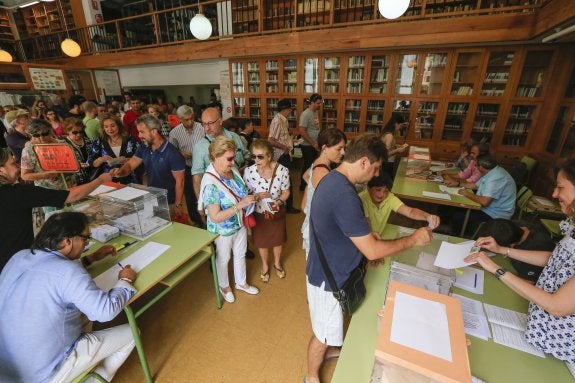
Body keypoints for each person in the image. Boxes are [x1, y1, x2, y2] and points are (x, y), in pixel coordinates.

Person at [304, 134, 433, 383]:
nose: (375, 175)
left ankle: (331, 347)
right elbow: (373, 251)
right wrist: (413, 240)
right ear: (363, 161)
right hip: (328, 278)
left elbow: (336, 226)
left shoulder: (335, 180)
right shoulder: (344, 193)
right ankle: (311, 376)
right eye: (375, 168)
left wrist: (364, 235)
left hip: (333, 268)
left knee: (332, 325)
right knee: (321, 334)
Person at [0, 212, 137, 382]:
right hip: (44, 373)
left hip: (8, 369)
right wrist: (125, 280)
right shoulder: (68, 272)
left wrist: (91, 258)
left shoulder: (19, 256)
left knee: (83, 314)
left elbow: (52, 270)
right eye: (86, 239)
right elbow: (105, 312)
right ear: (67, 241)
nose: (87, 243)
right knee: (131, 333)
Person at [466, 159, 575, 366]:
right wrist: (502, 250)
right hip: (540, 329)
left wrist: (496, 269)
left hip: (561, 349)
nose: (553, 194)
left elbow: (558, 306)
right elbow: (556, 260)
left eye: (560, 187)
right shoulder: (572, 224)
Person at [0, 148, 114, 271]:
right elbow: (72, 196)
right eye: (13, 164)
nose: (17, 167)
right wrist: (101, 180)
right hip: (17, 266)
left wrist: (91, 258)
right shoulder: (17, 193)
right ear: (1, 171)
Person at [198, 136, 261, 303]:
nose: (233, 162)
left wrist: (249, 198)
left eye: (233, 157)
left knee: (240, 254)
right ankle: (224, 286)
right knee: (223, 258)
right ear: (215, 157)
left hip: (239, 224)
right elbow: (215, 217)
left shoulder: (231, 171)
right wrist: (241, 205)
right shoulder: (211, 184)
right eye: (229, 158)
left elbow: (239, 191)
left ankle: (241, 283)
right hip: (223, 230)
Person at [110, 115, 185, 215]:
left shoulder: (173, 153)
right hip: (152, 199)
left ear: (154, 132)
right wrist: (120, 172)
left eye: (142, 132)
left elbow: (180, 182)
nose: (139, 136)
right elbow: (131, 165)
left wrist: (178, 204)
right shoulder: (143, 147)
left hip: (169, 202)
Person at [243, 139, 290, 282]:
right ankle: (264, 265)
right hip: (258, 213)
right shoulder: (249, 172)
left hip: (276, 211)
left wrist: (279, 201)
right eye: (254, 156)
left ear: (269, 156)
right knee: (262, 241)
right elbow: (246, 193)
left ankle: (277, 263)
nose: (256, 160)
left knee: (277, 240)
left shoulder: (282, 170)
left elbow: (286, 191)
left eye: (260, 156)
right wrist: (256, 196)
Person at [301, 128, 347, 258]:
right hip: (318, 230)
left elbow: (306, 177)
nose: (343, 152)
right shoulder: (323, 173)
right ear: (325, 148)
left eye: (344, 148)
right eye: (339, 149)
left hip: (312, 225)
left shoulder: (316, 164)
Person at [451, 154, 516, 236]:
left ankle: (459, 237)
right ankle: (464, 232)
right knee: (455, 210)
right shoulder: (492, 171)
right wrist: (458, 183)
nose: (475, 167)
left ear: (480, 167)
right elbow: (475, 185)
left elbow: (485, 202)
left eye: (476, 165)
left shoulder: (496, 177)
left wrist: (467, 194)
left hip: (495, 214)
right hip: (488, 209)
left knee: (459, 216)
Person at [360, 171, 440, 236]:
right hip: (365, 240)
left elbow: (410, 211)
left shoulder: (389, 197)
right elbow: (367, 228)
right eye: (378, 190)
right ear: (368, 188)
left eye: (386, 191)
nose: (382, 194)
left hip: (378, 236)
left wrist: (428, 216)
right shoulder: (362, 200)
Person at [192, 107, 249, 198]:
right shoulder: (200, 147)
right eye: (204, 124)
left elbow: (247, 157)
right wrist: (200, 202)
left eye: (210, 123)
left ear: (220, 121)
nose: (207, 128)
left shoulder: (235, 137)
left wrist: (243, 170)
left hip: (241, 192)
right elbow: (197, 177)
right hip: (217, 197)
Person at [476, 219, 555, 283]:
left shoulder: (539, 247)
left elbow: (528, 282)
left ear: (511, 246)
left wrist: (491, 267)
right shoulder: (511, 226)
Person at [168, 105, 205, 227]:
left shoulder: (202, 127)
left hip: (204, 168)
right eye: (186, 120)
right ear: (180, 119)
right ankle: (196, 220)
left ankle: (210, 218)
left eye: (191, 118)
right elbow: (172, 153)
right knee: (190, 196)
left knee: (205, 193)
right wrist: (181, 154)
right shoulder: (174, 133)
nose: (190, 122)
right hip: (188, 168)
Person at [88, 113, 140, 184]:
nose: (110, 129)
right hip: (108, 182)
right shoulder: (98, 142)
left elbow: (140, 158)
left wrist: (120, 160)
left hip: (130, 181)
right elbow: (91, 163)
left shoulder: (130, 140)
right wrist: (102, 159)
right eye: (106, 127)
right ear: (103, 128)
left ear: (119, 125)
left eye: (113, 126)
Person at [268, 98, 299, 214]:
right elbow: (270, 140)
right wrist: (284, 147)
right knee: (286, 180)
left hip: (285, 154)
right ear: (285, 109)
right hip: (281, 156)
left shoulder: (283, 120)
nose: (290, 111)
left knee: (286, 180)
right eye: (289, 109)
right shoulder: (277, 121)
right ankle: (288, 206)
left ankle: (286, 204)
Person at [298, 93, 323, 191]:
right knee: (308, 165)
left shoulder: (315, 112)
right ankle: (303, 186)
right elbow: (302, 131)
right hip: (307, 145)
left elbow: (315, 128)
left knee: (312, 165)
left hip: (314, 145)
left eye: (320, 103)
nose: (319, 105)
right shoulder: (306, 114)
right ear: (311, 102)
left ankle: (309, 184)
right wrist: (313, 143)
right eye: (318, 103)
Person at [63, 117, 92, 185]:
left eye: (81, 132)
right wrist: (77, 165)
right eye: (75, 132)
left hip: (93, 176)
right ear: (67, 131)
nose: (79, 134)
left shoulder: (88, 141)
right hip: (76, 181)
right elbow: (63, 164)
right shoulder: (63, 145)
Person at [380, 114, 408, 178]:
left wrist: (396, 146)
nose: (400, 128)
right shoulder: (390, 136)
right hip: (387, 164)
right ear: (396, 124)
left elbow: (386, 146)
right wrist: (397, 150)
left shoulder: (386, 133)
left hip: (386, 163)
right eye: (400, 125)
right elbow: (385, 154)